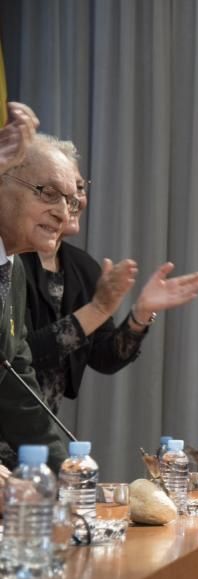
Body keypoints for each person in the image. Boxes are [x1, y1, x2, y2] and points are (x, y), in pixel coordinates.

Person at [17, 138, 198, 416]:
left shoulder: (82, 266)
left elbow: (105, 358)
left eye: (79, 189)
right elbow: (20, 355)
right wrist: (96, 310)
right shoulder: (10, 259)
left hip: (39, 433)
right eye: (55, 191)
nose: (73, 200)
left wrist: (140, 315)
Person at [0, 107, 73, 477]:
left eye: (70, 200)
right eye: (48, 193)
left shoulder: (13, 275)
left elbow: (17, 388)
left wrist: (71, 474)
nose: (62, 212)